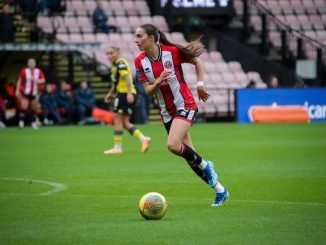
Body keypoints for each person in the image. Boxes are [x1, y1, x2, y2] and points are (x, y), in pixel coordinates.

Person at [134, 24, 229, 207]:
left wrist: (200, 85)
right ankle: (220, 190)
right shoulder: (140, 62)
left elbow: (197, 62)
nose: (136, 40)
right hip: (166, 112)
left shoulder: (172, 52)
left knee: (172, 145)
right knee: (189, 157)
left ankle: (207, 165)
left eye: (139, 36)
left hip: (185, 104)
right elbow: (147, 91)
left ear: (152, 38)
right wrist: (158, 82)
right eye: (135, 36)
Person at [103, 47, 151, 154]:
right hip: (124, 93)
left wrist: (129, 93)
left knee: (117, 118)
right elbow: (115, 83)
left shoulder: (120, 63)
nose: (109, 56)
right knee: (125, 122)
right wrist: (110, 94)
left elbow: (127, 78)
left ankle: (117, 147)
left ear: (118, 53)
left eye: (112, 53)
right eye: (108, 53)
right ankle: (143, 139)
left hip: (124, 94)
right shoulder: (114, 66)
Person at [15, 58, 45, 129]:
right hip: (25, 92)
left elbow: (43, 80)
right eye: (30, 63)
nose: (31, 64)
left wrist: (36, 80)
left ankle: (33, 122)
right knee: (24, 107)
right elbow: (20, 80)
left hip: (34, 92)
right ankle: (21, 122)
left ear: (35, 64)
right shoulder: (24, 71)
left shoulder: (38, 71)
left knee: (33, 108)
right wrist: (17, 90)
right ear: (27, 64)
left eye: (33, 63)